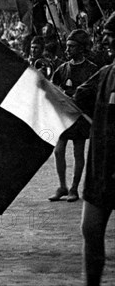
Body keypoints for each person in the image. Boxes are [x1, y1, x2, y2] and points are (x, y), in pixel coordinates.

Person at [74, 14, 115, 286]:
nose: (108, 40)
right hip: (101, 168)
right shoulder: (106, 74)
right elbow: (76, 99)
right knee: (90, 229)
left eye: (114, 36)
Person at [48, 30, 97, 202]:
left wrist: (78, 97)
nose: (68, 50)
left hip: (81, 117)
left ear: (82, 48)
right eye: (67, 46)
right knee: (58, 151)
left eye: (72, 46)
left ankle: (74, 188)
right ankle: (62, 186)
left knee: (78, 153)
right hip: (64, 117)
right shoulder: (62, 68)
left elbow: (94, 93)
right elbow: (52, 89)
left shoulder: (91, 69)